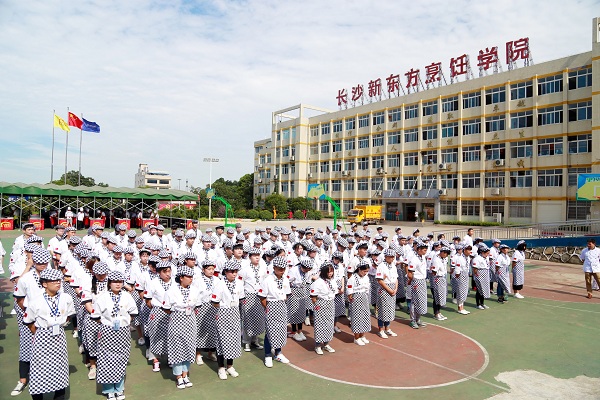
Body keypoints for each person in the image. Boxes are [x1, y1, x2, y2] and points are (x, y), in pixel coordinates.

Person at [23, 268, 75, 400]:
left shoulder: (66, 298)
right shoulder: (35, 301)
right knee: (39, 369)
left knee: (59, 368)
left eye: (59, 280)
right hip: (42, 337)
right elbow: (29, 322)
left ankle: (59, 396)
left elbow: (69, 315)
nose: (58, 283)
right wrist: (41, 333)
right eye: (53, 281)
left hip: (59, 337)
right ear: (44, 284)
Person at [94, 271, 138, 400]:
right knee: (106, 359)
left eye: (120, 282)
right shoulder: (102, 297)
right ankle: (108, 389)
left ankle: (119, 388)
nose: (118, 284)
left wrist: (126, 322)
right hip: (107, 331)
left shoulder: (127, 296)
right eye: (115, 282)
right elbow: (96, 316)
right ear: (109, 283)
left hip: (123, 331)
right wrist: (107, 323)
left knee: (121, 358)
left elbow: (133, 312)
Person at [163, 265, 199, 389]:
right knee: (177, 348)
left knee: (189, 347)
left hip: (190, 321)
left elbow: (197, 305)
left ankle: (185, 374)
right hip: (177, 321)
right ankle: (178, 376)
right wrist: (178, 314)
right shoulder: (171, 291)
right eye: (188, 277)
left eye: (192, 276)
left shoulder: (194, 290)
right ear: (181, 278)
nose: (191, 279)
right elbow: (166, 308)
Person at [212, 260, 244, 380]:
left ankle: (230, 365)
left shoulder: (239, 283)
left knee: (233, 340)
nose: (234, 274)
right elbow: (214, 302)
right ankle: (221, 367)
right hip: (223, 313)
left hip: (235, 313)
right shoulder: (220, 284)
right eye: (231, 272)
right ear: (225, 272)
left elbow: (241, 298)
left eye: (236, 271)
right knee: (222, 340)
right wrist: (223, 310)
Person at [259, 256, 292, 367]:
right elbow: (262, 297)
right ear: (274, 268)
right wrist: (268, 308)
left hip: (281, 305)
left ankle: (278, 353)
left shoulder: (285, 279)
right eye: (279, 268)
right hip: (271, 305)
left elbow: (287, 293)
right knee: (270, 331)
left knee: (281, 330)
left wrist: (281, 302)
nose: (282, 270)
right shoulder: (267, 280)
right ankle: (268, 355)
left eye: (283, 268)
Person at [144, 261, 173, 372]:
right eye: (164, 272)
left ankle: (170, 358)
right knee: (156, 336)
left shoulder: (174, 282)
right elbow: (148, 299)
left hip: (171, 312)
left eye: (169, 271)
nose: (167, 274)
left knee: (170, 335)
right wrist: (156, 309)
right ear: (159, 272)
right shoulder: (153, 282)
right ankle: (156, 360)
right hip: (158, 311)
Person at [239, 248, 267, 352]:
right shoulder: (244, 270)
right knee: (248, 318)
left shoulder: (263, 268)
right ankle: (246, 341)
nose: (257, 257)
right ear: (250, 257)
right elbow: (240, 284)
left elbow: (265, 282)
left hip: (259, 296)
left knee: (258, 318)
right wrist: (242, 297)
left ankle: (255, 340)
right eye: (254, 255)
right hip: (248, 295)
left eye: (258, 255)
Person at [194, 259, 219, 365]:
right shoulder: (197, 281)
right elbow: (195, 295)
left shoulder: (217, 280)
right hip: (202, 307)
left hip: (214, 307)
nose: (211, 271)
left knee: (213, 330)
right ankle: (198, 354)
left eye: (213, 269)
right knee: (200, 330)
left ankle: (211, 352)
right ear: (203, 269)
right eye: (209, 269)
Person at [310, 263, 337, 355]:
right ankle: (318, 345)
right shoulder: (318, 282)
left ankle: (326, 343)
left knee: (329, 324)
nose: (330, 273)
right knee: (320, 324)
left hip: (330, 303)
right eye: (328, 272)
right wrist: (317, 305)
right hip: (321, 303)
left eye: (331, 271)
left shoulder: (333, 281)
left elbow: (334, 291)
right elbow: (313, 296)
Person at [287, 258, 313, 341]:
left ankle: (300, 331)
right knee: (294, 311)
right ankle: (294, 331)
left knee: (301, 311)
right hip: (294, 291)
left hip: (303, 291)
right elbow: (288, 281)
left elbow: (308, 282)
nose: (306, 271)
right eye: (305, 269)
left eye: (308, 270)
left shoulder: (307, 272)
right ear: (302, 266)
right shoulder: (293, 270)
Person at [346, 260, 371, 345]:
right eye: (364, 271)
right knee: (357, 317)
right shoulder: (353, 278)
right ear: (359, 269)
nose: (365, 273)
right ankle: (356, 337)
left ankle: (362, 335)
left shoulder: (366, 277)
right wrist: (350, 297)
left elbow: (367, 288)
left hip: (364, 297)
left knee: (365, 316)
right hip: (356, 297)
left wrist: (366, 296)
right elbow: (349, 289)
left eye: (367, 271)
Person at [375, 248, 398, 338]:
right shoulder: (381, 266)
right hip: (384, 289)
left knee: (390, 309)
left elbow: (396, 278)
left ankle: (387, 328)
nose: (392, 258)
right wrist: (389, 290)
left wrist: (395, 288)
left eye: (393, 257)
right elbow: (380, 280)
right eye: (391, 257)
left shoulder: (393, 266)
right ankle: (381, 329)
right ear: (386, 257)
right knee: (382, 310)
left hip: (392, 288)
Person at [407, 242, 429, 329]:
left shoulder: (422, 257)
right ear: (419, 250)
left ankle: (418, 319)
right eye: (424, 250)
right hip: (416, 281)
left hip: (422, 280)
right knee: (414, 301)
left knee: (421, 300)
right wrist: (412, 282)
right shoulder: (414, 259)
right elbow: (410, 273)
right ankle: (413, 320)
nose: (425, 251)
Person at [431, 247, 450, 320]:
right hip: (438, 278)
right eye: (446, 254)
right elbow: (434, 271)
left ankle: (438, 312)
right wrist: (436, 279)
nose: (446, 256)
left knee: (441, 296)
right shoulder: (436, 259)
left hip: (442, 278)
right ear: (443, 252)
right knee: (437, 296)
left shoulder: (442, 259)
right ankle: (436, 313)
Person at [453, 245, 471, 315]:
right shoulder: (460, 258)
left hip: (465, 274)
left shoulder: (467, 258)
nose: (469, 251)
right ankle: (459, 308)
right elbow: (457, 268)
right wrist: (458, 275)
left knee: (464, 291)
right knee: (461, 291)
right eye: (468, 250)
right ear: (464, 250)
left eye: (470, 250)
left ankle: (462, 307)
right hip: (460, 275)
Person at [472, 245, 491, 310]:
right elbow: (475, 268)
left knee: (484, 290)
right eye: (487, 253)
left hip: (485, 274)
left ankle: (482, 303)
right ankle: (478, 304)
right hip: (479, 274)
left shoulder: (486, 258)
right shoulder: (477, 258)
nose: (488, 255)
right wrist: (476, 275)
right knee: (479, 290)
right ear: (482, 252)